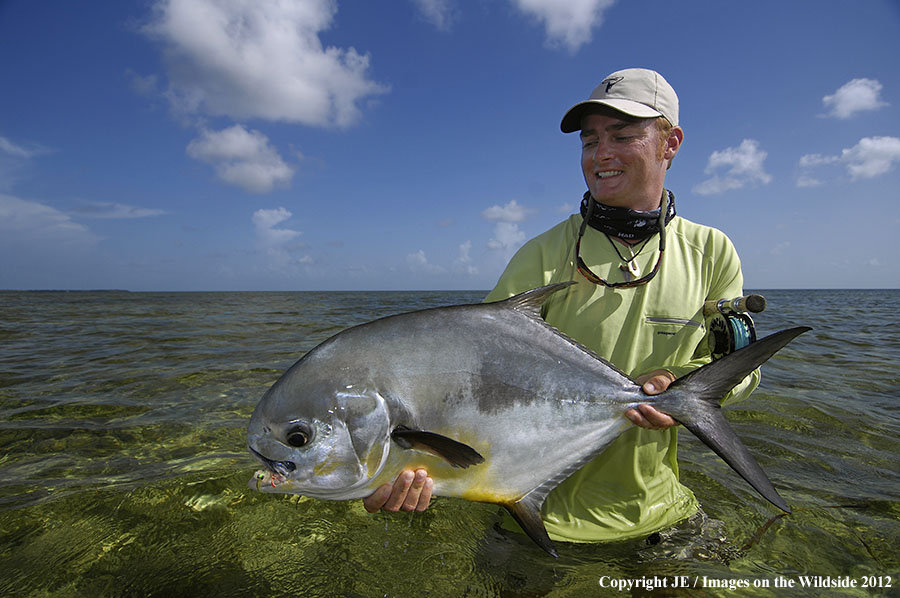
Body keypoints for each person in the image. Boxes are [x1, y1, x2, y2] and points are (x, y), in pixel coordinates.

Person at [363, 68, 760, 544]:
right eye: (590, 141)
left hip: (662, 513)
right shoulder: (541, 254)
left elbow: (737, 371)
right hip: (533, 517)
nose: (601, 154)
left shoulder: (712, 251)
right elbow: (468, 375)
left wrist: (680, 389)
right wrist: (393, 463)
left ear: (670, 143)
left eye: (623, 135)